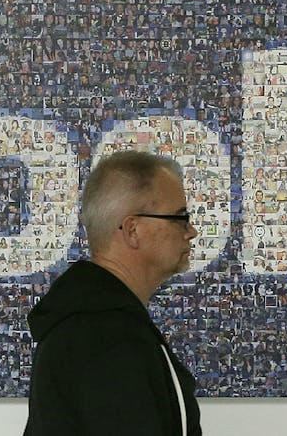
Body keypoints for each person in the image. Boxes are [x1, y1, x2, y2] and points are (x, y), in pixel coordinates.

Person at [25, 150, 202, 435]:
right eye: (180, 217)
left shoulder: (99, 326)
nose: (191, 231)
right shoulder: (106, 339)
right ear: (133, 229)